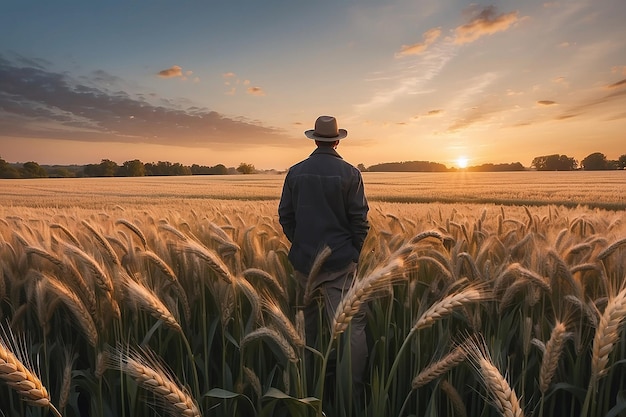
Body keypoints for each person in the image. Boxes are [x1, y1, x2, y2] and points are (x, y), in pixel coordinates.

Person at [278, 115, 370, 402]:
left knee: (305, 326)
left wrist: (303, 244)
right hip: (341, 264)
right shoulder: (350, 173)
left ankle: (307, 390)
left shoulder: (295, 172)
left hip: (304, 263)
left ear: (315, 139)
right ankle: (350, 393)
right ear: (337, 140)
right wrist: (352, 253)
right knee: (351, 327)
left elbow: (286, 217)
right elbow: (360, 222)